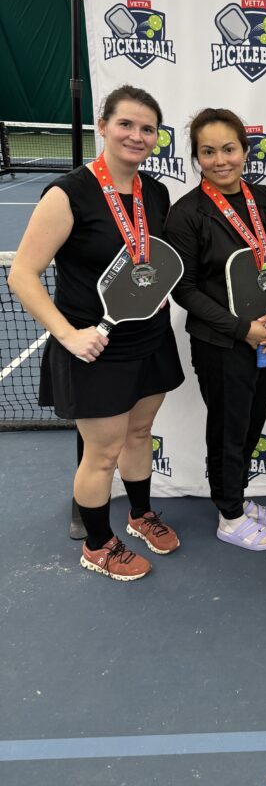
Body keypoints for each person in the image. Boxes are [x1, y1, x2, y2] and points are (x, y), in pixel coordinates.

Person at [8, 86, 184, 581]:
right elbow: (22, 274)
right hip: (94, 348)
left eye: (147, 128)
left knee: (140, 434)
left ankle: (140, 514)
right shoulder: (68, 193)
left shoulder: (155, 191)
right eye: (126, 124)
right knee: (101, 453)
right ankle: (97, 544)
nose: (136, 135)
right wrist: (68, 335)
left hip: (150, 338)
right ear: (103, 126)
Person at [165, 109, 266, 551]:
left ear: (244, 149)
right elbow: (183, 289)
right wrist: (241, 330)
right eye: (208, 151)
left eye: (229, 149)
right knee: (228, 425)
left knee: (251, 421)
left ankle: (234, 494)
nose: (220, 160)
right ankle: (230, 514)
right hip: (222, 343)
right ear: (197, 156)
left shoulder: (264, 199)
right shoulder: (187, 214)